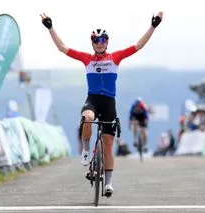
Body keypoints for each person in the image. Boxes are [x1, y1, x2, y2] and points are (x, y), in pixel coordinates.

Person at [40, 11, 164, 197]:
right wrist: (50, 27)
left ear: (107, 42)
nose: (99, 43)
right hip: (93, 100)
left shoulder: (115, 58)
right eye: (96, 40)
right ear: (92, 43)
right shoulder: (87, 59)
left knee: (108, 144)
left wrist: (153, 25)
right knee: (87, 118)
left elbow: (138, 45)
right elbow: (62, 47)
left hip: (108, 103)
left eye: (103, 39)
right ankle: (87, 150)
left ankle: (108, 183)